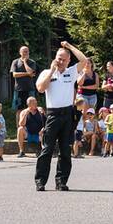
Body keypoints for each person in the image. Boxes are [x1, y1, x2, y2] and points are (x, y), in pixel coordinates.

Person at [35, 40, 91, 191]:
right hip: (53, 114)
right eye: (58, 58)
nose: (60, 61)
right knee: (47, 149)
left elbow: (84, 60)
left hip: (67, 114)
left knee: (65, 150)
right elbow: (40, 88)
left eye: (63, 59)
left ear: (68, 61)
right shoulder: (46, 73)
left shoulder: (71, 72)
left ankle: (61, 181)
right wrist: (52, 71)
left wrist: (69, 46)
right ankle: (40, 181)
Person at [10, 45, 38, 114]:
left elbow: (31, 73)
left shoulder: (32, 62)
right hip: (18, 89)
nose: (26, 53)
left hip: (30, 89)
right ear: (20, 53)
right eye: (24, 51)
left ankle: (30, 124)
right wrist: (27, 74)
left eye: (27, 51)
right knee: (19, 110)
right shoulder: (15, 62)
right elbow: (14, 75)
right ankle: (18, 125)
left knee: (32, 109)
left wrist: (25, 62)